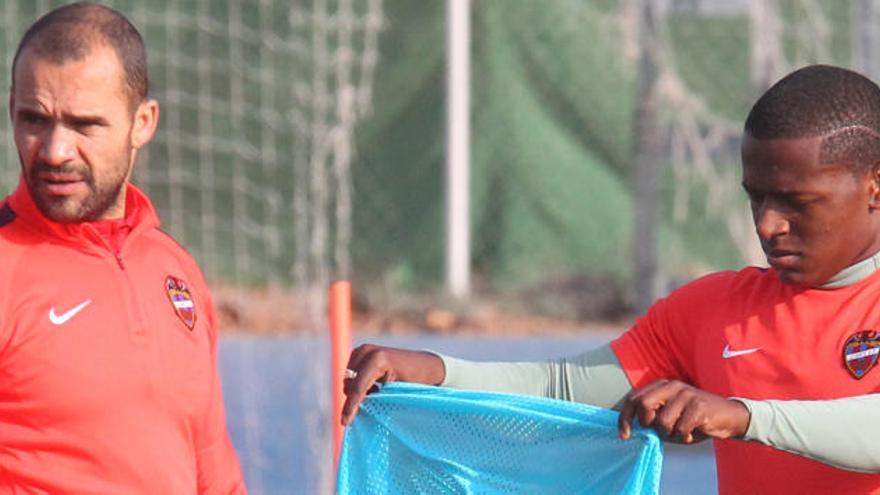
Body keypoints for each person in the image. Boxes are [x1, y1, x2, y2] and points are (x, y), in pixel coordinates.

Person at [342, 64, 880, 495]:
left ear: (875, 185)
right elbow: (564, 389)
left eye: (797, 202)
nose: (767, 223)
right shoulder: (712, 309)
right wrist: (438, 371)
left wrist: (741, 416)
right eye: (756, 196)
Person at [0, 3, 245, 493]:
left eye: (84, 125)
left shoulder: (176, 270)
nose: (54, 151)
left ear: (143, 123)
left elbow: (211, 467)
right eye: (34, 120)